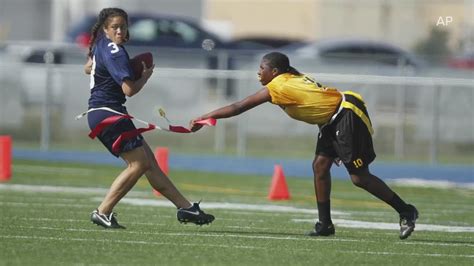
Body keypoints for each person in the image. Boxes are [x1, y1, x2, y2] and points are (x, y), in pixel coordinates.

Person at [190, 52, 418, 239]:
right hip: (331, 119)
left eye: (262, 67)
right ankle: (325, 225)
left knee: (359, 177)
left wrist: (205, 117)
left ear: (275, 72)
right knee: (320, 167)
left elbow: (239, 106)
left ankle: (406, 211)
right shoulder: (288, 78)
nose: (258, 72)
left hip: (345, 114)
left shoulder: (277, 85)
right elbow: (316, 103)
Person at [83, 7, 214, 229]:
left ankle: (186, 208)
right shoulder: (115, 50)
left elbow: (88, 68)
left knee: (150, 164)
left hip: (105, 112)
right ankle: (103, 211)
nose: (119, 31)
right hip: (108, 113)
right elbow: (129, 90)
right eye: (114, 27)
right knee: (139, 163)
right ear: (105, 29)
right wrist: (144, 77)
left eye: (123, 26)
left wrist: (109, 67)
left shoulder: (102, 46)